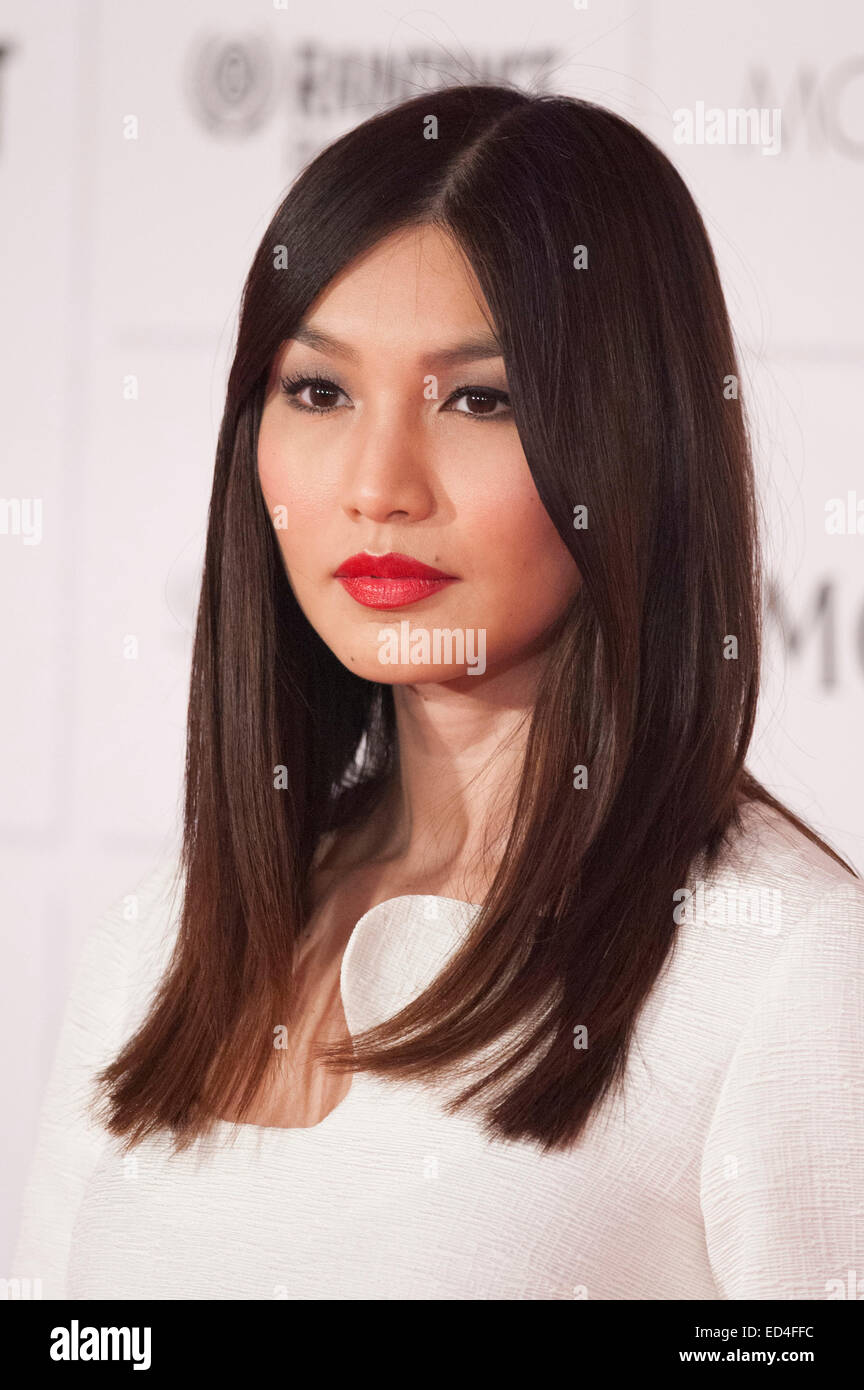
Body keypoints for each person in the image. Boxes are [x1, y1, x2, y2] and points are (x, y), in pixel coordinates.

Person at [12, 83, 864, 1300]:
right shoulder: (163, 938)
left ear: (626, 440)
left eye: (479, 398)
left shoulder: (786, 968)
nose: (377, 483)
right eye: (318, 391)